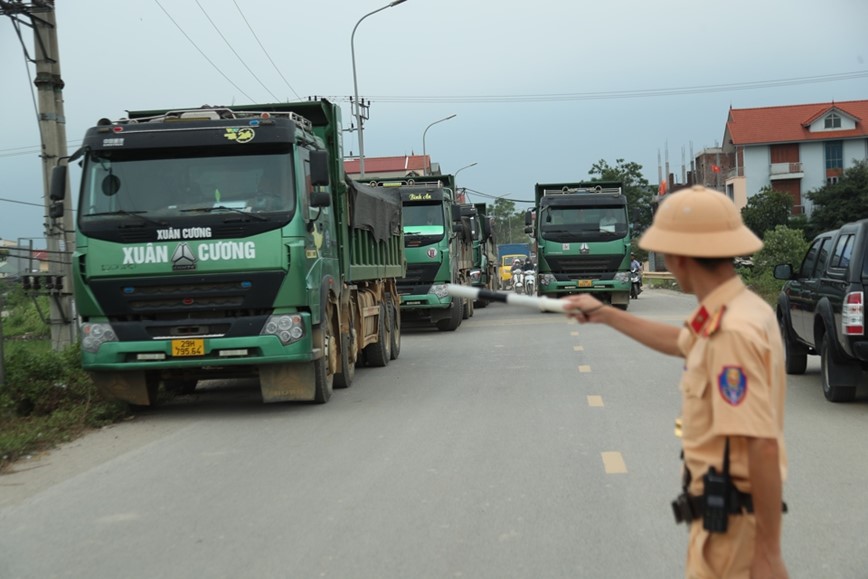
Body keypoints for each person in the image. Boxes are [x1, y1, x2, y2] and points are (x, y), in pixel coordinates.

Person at [563, 185, 788, 579]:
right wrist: (606, 315)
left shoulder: (730, 331)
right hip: (723, 519)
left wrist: (768, 552)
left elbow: (762, 446)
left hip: (734, 532)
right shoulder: (734, 308)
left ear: (681, 257)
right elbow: (683, 341)